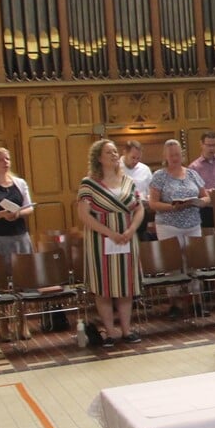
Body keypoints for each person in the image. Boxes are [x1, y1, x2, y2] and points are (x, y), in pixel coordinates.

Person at [77, 139, 144, 346]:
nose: (114, 155)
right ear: (98, 158)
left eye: (115, 152)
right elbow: (84, 215)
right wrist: (110, 233)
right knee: (104, 287)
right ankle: (110, 331)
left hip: (126, 239)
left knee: (125, 285)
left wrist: (131, 230)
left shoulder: (128, 182)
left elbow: (139, 208)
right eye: (109, 152)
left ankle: (126, 329)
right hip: (100, 241)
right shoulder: (88, 183)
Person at [148, 138, 209, 247]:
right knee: (173, 262)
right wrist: (173, 207)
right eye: (171, 155)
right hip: (169, 227)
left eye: (177, 154)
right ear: (165, 156)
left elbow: (206, 197)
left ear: (182, 154)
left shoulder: (192, 174)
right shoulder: (159, 176)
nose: (175, 158)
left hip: (193, 225)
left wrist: (198, 202)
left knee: (195, 261)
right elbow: (153, 203)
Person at [122, 140, 154, 241]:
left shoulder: (145, 169)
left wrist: (149, 200)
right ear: (125, 153)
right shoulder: (115, 168)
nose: (135, 161)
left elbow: (150, 192)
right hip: (122, 213)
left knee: (142, 242)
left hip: (141, 212)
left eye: (138, 158)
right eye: (133, 157)